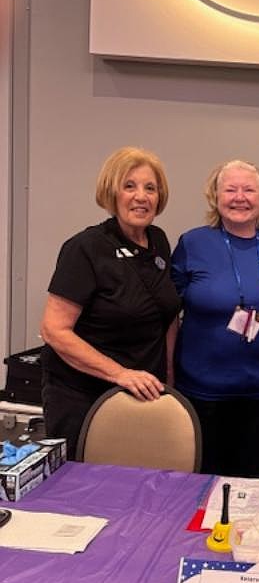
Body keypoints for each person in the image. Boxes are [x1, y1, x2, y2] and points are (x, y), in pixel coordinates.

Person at [41, 146, 181, 459]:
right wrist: (119, 373)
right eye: (129, 186)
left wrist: (168, 375)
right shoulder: (85, 248)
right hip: (83, 396)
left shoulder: (158, 241)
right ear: (111, 193)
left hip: (141, 396)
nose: (141, 196)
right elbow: (54, 330)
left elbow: (167, 314)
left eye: (150, 188)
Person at [171, 160, 259, 477]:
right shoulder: (193, 243)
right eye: (231, 189)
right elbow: (167, 313)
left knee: (252, 489)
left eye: (249, 189)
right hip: (202, 392)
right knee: (199, 488)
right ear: (216, 197)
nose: (240, 197)